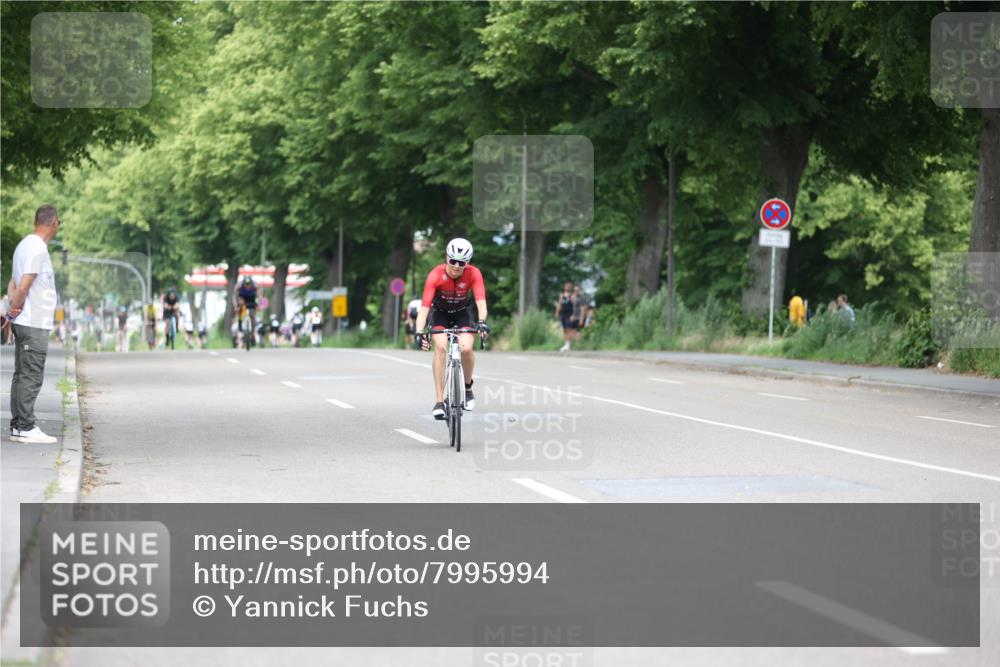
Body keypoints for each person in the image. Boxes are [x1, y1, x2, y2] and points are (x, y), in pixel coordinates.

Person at [414, 238, 489, 419]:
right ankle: (440, 401)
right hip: (440, 313)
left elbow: (481, 302)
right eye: (453, 261)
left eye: (461, 263)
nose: (456, 266)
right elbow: (424, 309)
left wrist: (481, 322)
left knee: (467, 349)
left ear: (467, 262)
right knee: (440, 348)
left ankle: (468, 388)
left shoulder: (474, 273)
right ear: (446, 257)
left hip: (463, 313)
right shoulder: (435, 275)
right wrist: (419, 331)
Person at [5, 204, 60, 444]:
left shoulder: (23, 245)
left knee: (21, 374)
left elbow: (12, 282)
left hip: (26, 320)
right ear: (54, 222)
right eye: (59, 222)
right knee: (31, 375)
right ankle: (26, 426)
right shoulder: (37, 248)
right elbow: (24, 285)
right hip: (33, 322)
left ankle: (19, 426)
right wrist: (13, 311)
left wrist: (13, 311)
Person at [233, 276, 258, 347]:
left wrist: (258, 304)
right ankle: (240, 324)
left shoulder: (255, 286)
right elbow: (235, 296)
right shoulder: (239, 286)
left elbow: (259, 295)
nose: (247, 286)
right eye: (246, 284)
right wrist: (236, 305)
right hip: (243, 298)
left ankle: (252, 333)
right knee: (240, 308)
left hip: (252, 299)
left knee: (252, 315)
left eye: (249, 284)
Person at [555, 282, 575, 352]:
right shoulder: (561, 295)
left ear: (571, 288)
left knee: (568, 329)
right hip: (563, 314)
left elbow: (575, 306)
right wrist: (557, 312)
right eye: (566, 286)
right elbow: (559, 304)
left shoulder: (572, 296)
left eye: (569, 286)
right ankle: (566, 344)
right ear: (564, 287)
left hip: (569, 314)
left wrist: (573, 315)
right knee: (564, 330)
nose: (567, 288)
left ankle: (568, 345)